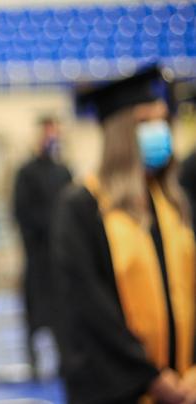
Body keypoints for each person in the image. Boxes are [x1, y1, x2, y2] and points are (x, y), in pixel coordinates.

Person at [52, 66, 196, 403]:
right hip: (122, 390)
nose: (159, 131)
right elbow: (88, 311)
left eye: (162, 120)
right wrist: (152, 380)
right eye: (145, 122)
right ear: (120, 133)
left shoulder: (172, 203)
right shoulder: (80, 208)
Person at [12, 116, 72, 378]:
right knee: (35, 311)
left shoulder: (64, 172)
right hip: (37, 255)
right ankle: (33, 357)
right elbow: (21, 211)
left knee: (63, 311)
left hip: (60, 257)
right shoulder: (26, 172)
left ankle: (64, 356)